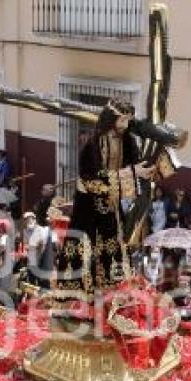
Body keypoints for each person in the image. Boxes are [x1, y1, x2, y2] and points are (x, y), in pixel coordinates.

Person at [55, 97, 154, 291]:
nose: (125, 126)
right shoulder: (93, 143)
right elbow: (93, 176)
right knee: (84, 247)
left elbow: (136, 164)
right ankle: (78, 296)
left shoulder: (127, 140)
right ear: (111, 119)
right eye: (122, 120)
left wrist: (149, 168)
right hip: (88, 205)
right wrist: (132, 172)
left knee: (112, 245)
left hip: (110, 204)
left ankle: (111, 292)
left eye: (128, 121)